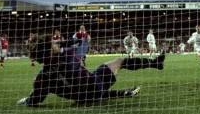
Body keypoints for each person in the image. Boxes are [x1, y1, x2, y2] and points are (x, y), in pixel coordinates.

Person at [17, 35, 165, 107]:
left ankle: (123, 92)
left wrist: (28, 100)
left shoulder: (41, 78)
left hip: (80, 97)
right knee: (120, 61)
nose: (55, 44)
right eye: (52, 44)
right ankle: (155, 63)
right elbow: (82, 43)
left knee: (86, 88)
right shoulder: (68, 56)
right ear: (50, 50)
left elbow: (36, 99)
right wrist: (60, 43)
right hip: (95, 86)